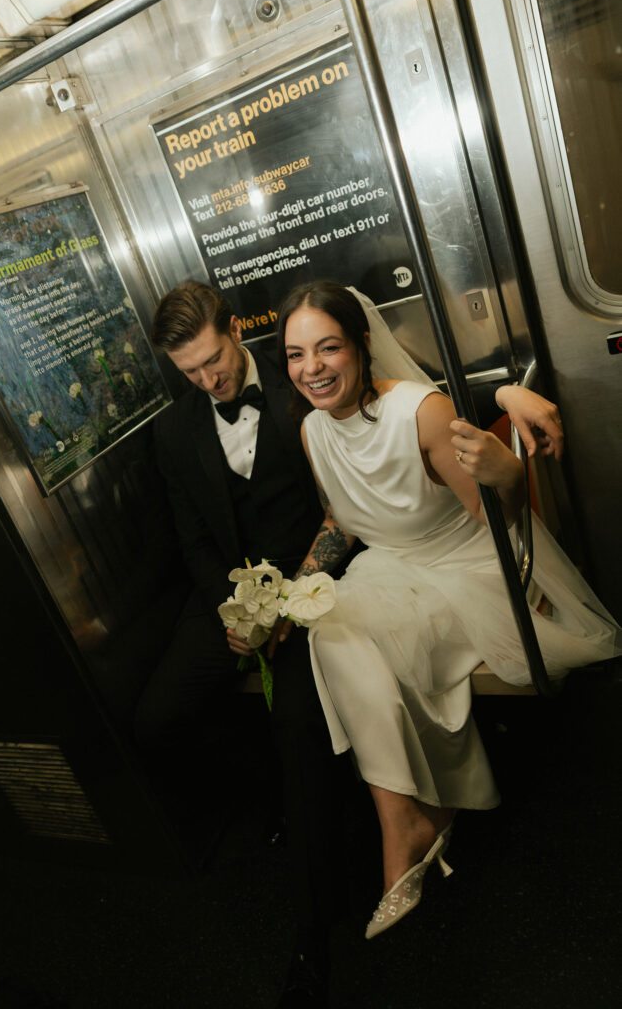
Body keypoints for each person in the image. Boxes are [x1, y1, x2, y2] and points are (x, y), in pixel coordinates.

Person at [136, 278, 571, 1006]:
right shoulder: (178, 430)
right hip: (234, 598)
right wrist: (235, 612)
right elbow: (194, 539)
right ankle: (278, 797)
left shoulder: (303, 382)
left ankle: (313, 937)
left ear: (236, 331)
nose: (208, 380)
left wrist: (506, 393)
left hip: (320, 581)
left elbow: (407, 405)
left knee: (300, 723)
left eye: (213, 361)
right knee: (155, 722)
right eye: (189, 372)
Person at [275, 279, 621, 943]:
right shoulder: (312, 430)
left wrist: (509, 477)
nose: (311, 368)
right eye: (296, 354)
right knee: (329, 631)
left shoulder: (420, 412)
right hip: (389, 567)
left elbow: (499, 523)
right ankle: (404, 817)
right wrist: (295, 590)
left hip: (463, 564)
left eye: (327, 348)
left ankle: (411, 825)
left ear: (361, 345)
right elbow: (340, 518)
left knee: (352, 640)